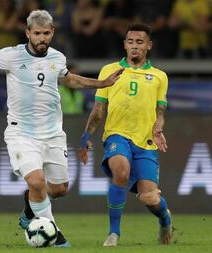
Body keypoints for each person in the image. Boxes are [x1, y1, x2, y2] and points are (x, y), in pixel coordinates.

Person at [0, 10, 123, 247]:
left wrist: (102, 83)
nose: (41, 38)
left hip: (53, 133)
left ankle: (29, 211)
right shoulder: (11, 55)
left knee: (58, 189)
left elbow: (69, 80)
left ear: (52, 32)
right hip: (21, 133)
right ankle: (54, 235)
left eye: (46, 33)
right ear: (28, 33)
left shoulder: (57, 58)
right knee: (36, 182)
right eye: (37, 33)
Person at [78, 23, 172, 247]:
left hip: (146, 142)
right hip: (117, 135)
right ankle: (114, 234)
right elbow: (99, 109)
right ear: (124, 45)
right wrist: (85, 136)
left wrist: (158, 128)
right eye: (130, 42)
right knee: (120, 171)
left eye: (139, 42)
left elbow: (160, 113)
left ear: (149, 45)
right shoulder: (109, 71)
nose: (134, 46)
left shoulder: (159, 76)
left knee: (149, 198)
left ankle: (165, 219)